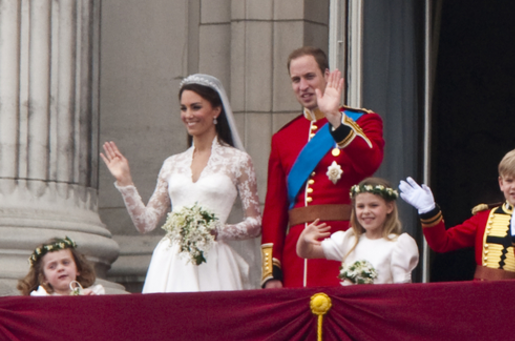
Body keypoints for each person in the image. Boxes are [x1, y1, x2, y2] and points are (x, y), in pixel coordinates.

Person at [101, 73, 261, 292]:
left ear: (216, 110)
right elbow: (146, 223)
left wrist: (218, 231)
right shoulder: (172, 164)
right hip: (171, 262)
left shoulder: (238, 161)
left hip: (215, 262)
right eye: (183, 108)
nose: (188, 115)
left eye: (195, 107)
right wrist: (125, 182)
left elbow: (254, 223)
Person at [261, 47, 384, 288]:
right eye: (296, 80)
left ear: (327, 76)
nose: (303, 86)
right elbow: (274, 208)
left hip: (345, 245)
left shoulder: (362, 120)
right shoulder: (283, 137)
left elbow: (371, 162)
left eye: (309, 76)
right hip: (296, 254)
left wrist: (336, 120)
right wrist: (271, 271)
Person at [399, 148, 515, 280]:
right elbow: (442, 243)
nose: (514, 186)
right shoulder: (484, 218)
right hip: (482, 295)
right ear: (501, 183)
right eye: (509, 180)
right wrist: (428, 211)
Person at [296, 178, 419, 284]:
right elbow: (307, 252)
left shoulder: (398, 244)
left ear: (389, 207)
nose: (366, 211)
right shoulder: (349, 240)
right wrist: (304, 239)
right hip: (350, 309)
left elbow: (402, 289)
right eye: (360, 206)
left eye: (373, 205)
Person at [18, 237, 105, 296]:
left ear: (78, 268)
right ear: (44, 278)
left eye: (66, 263)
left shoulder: (92, 294)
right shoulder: (42, 299)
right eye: (52, 267)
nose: (60, 268)